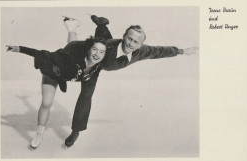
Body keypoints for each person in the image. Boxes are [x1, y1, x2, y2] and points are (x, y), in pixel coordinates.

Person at [63, 15, 199, 148]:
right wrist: (64, 54)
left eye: (136, 42)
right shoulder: (106, 47)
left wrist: (182, 51)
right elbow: (77, 46)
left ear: (140, 45)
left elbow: (160, 51)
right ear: (124, 36)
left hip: (107, 50)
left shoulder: (141, 51)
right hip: (94, 65)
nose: (130, 44)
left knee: (105, 38)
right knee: (86, 95)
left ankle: (101, 24)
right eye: (129, 38)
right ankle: (76, 131)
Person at [6, 36, 108, 150]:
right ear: (88, 49)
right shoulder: (71, 60)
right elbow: (44, 55)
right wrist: (20, 49)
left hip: (65, 71)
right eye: (95, 49)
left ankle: (71, 26)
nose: (97, 54)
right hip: (53, 72)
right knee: (46, 103)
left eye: (102, 51)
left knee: (72, 44)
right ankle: (39, 135)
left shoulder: (99, 65)